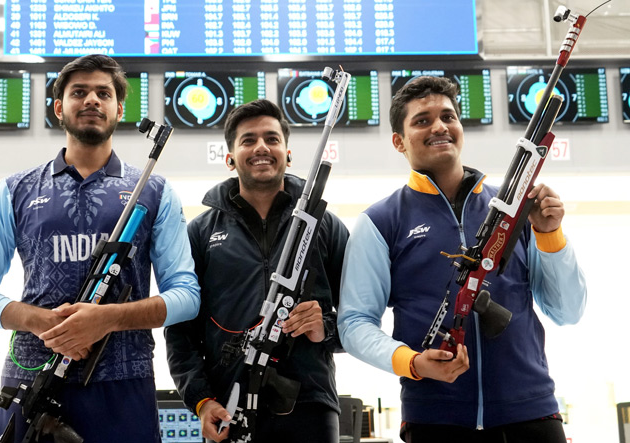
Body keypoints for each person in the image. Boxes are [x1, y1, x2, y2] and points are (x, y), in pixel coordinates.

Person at [0, 54, 200, 443]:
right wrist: (42, 322)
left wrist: (109, 319)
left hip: (123, 386)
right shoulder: (16, 190)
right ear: (59, 108)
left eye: (103, 93)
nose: (92, 100)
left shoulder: (154, 191)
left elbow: (187, 297)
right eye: (79, 92)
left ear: (119, 109)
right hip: (32, 381)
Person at [337, 76, 586, 443]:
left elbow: (568, 310)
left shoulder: (516, 210)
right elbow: (355, 323)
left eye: (448, 117)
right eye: (422, 120)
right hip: (435, 419)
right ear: (398, 141)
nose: (439, 126)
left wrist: (550, 234)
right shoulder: (380, 221)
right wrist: (412, 362)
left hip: (532, 412)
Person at [165, 99, 349, 443]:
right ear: (230, 157)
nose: (261, 147)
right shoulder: (200, 233)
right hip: (228, 406)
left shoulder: (324, 226)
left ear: (288, 153)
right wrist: (202, 401)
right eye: (248, 140)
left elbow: (360, 315)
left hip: (310, 404)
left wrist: (324, 327)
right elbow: (181, 331)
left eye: (272, 138)